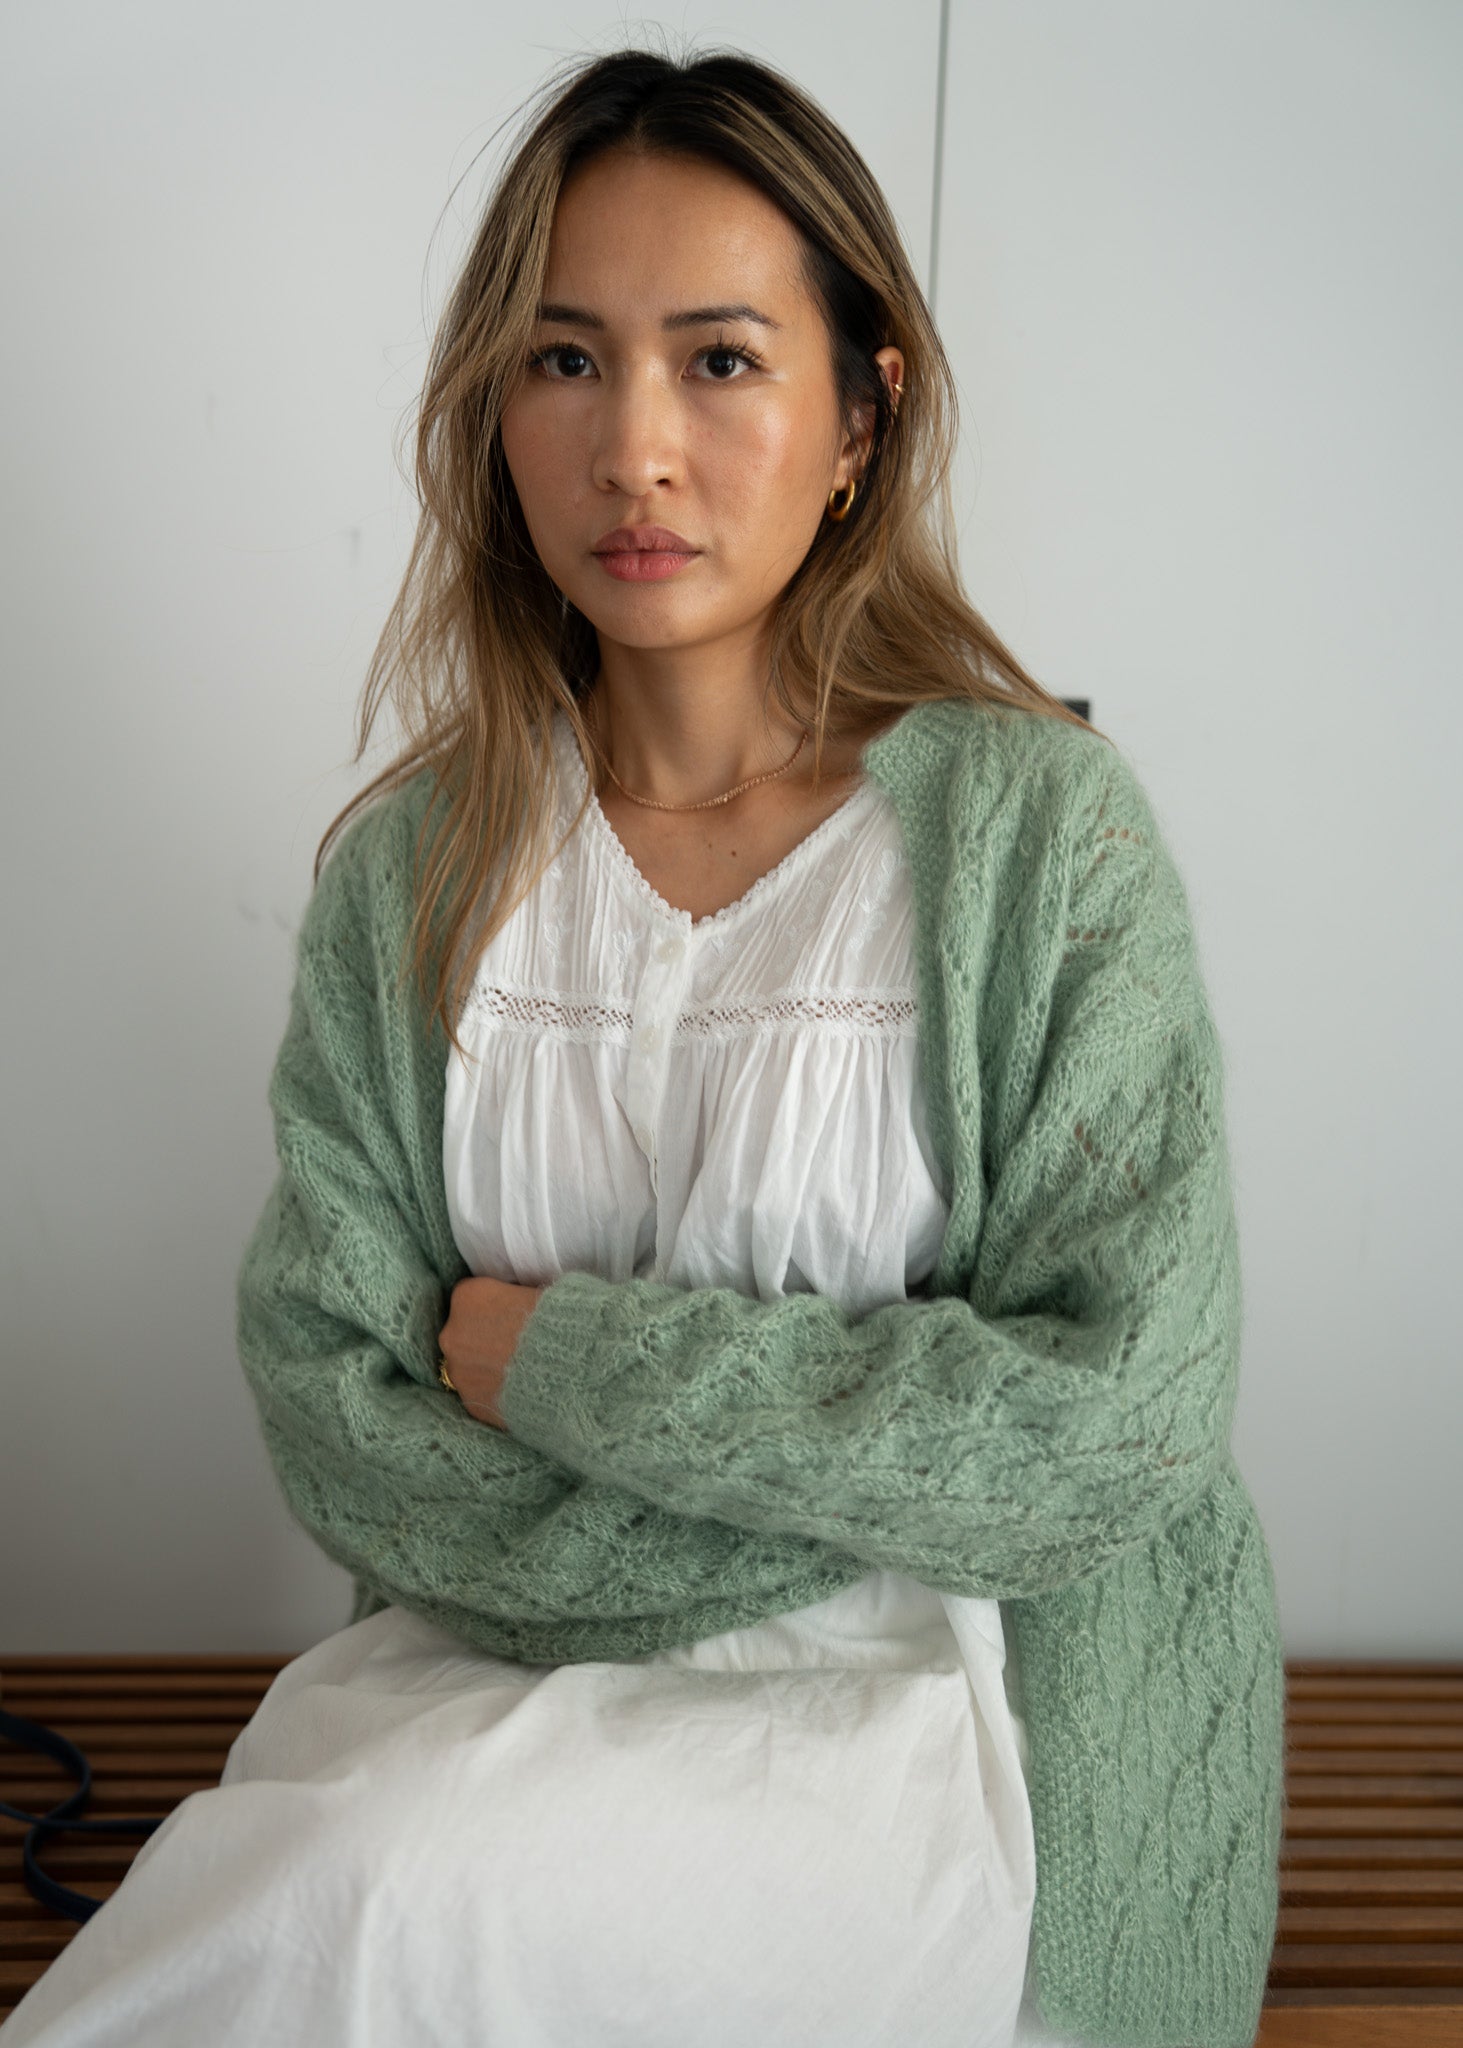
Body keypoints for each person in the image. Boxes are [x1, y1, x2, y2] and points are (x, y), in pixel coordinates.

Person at [0, 43, 1285, 2048]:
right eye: (568, 361)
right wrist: (851, 1445)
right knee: (356, 1879)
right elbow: (340, 1400)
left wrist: (563, 1359)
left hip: (920, 1717)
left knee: (372, 1904)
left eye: (721, 359)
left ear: (865, 410)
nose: (639, 450)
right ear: (496, 415)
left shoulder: (1046, 850)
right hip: (468, 1663)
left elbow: (1114, 1423)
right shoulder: (419, 872)